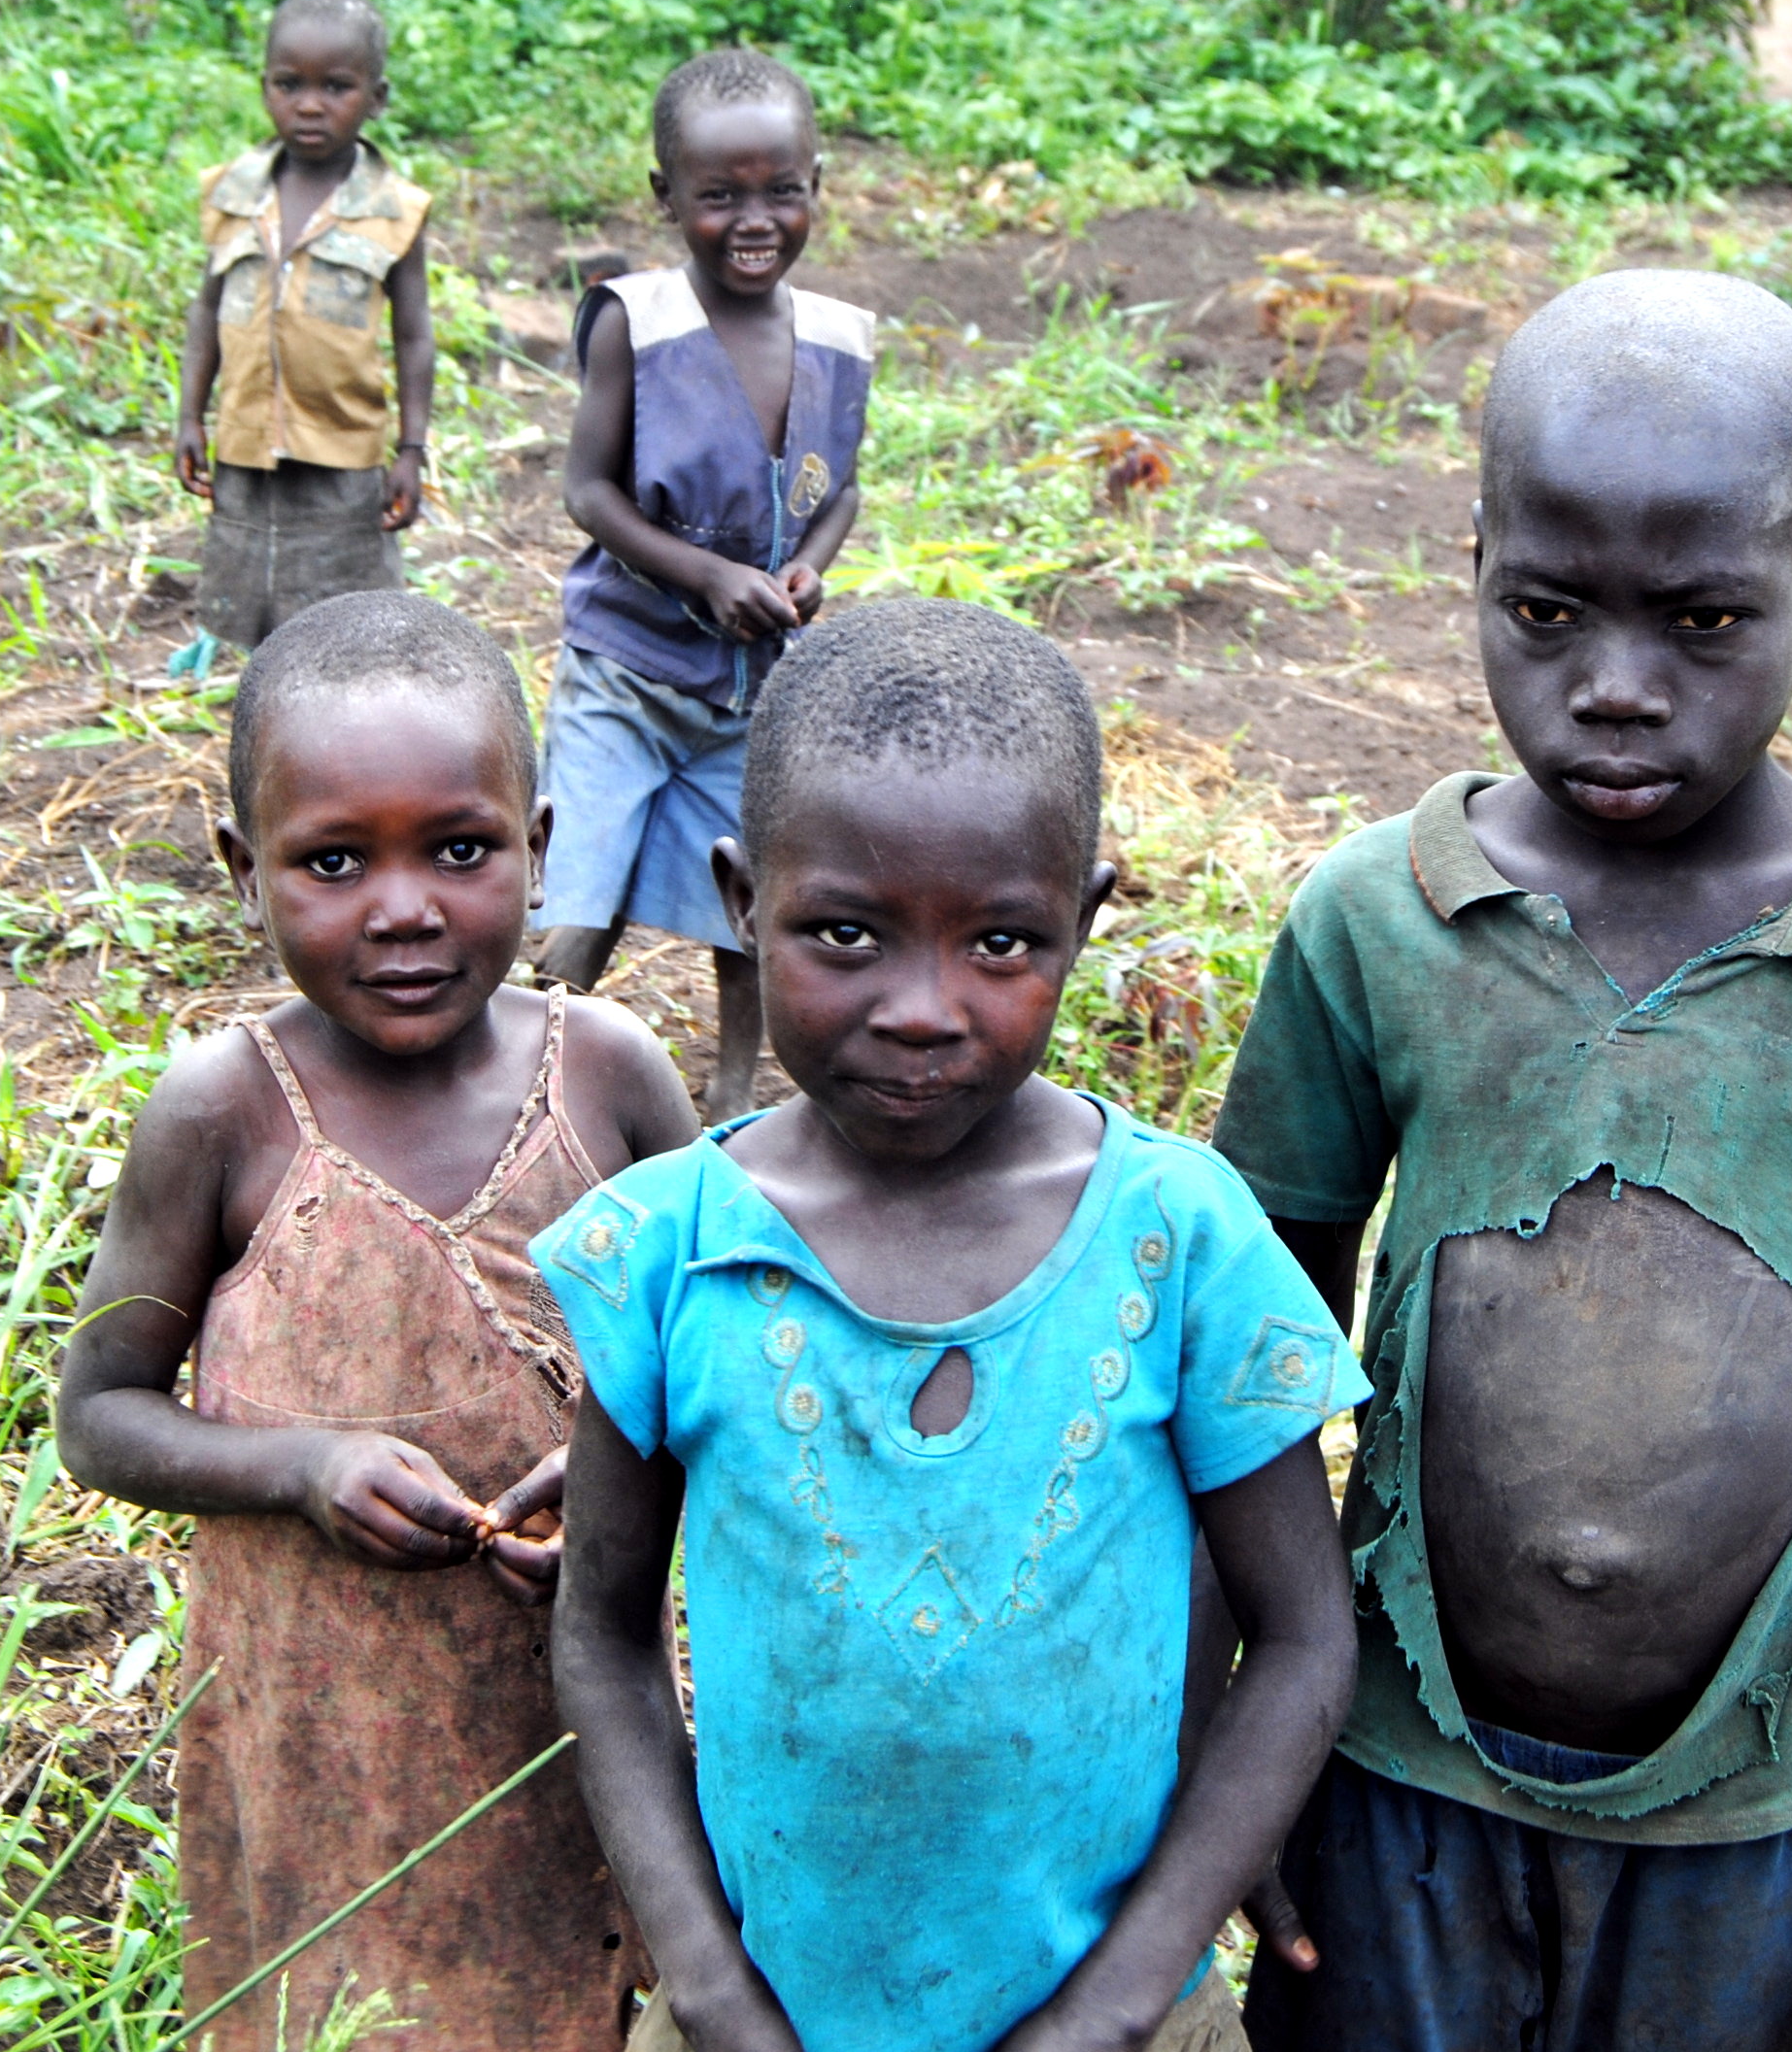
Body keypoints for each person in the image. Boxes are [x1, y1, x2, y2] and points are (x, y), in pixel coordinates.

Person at [1220, 272, 1792, 2052]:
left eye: (1704, 620)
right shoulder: (1374, 924)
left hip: (1749, 1814)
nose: (1614, 691)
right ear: (1470, 561)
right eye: (1544, 610)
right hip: (1394, 1780)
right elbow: (1239, 1381)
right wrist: (1226, 1766)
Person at [540, 596, 1369, 2052]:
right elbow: (602, 1639)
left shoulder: (1182, 1243)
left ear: (1086, 918)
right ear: (742, 900)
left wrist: (1116, 2008)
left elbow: (1305, 1643)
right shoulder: (666, 1250)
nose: (923, 1009)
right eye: (846, 933)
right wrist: (709, 1985)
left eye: (999, 943)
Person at [56, 591, 702, 2051]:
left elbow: (709, 1367)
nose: (405, 907)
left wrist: (617, 1468)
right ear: (245, 868)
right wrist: (299, 1467)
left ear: (539, 843)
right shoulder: (222, 1114)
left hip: (572, 1718)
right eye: (334, 861)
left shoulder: (608, 1080)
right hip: (319, 1733)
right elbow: (99, 1416)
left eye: (461, 851)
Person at [534, 49, 872, 1121]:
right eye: (718, 195)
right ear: (665, 196)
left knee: (750, 909)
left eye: (783, 190)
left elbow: (838, 489)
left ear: (817, 187)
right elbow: (588, 493)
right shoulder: (635, 323)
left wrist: (805, 565)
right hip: (625, 676)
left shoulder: (832, 340)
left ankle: (732, 1109)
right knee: (572, 907)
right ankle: (534, 1099)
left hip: (746, 693)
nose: (753, 219)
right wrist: (705, 573)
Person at [172, 0, 438, 672]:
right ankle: (272, 715)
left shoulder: (392, 210)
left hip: (343, 456)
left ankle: (351, 718)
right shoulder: (232, 194)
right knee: (253, 598)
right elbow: (207, 309)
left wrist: (411, 449)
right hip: (245, 450)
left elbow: (413, 333)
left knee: (352, 619)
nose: (311, 104)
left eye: (337, 87)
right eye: (290, 85)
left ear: (376, 98)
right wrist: (188, 417)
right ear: (264, 88)